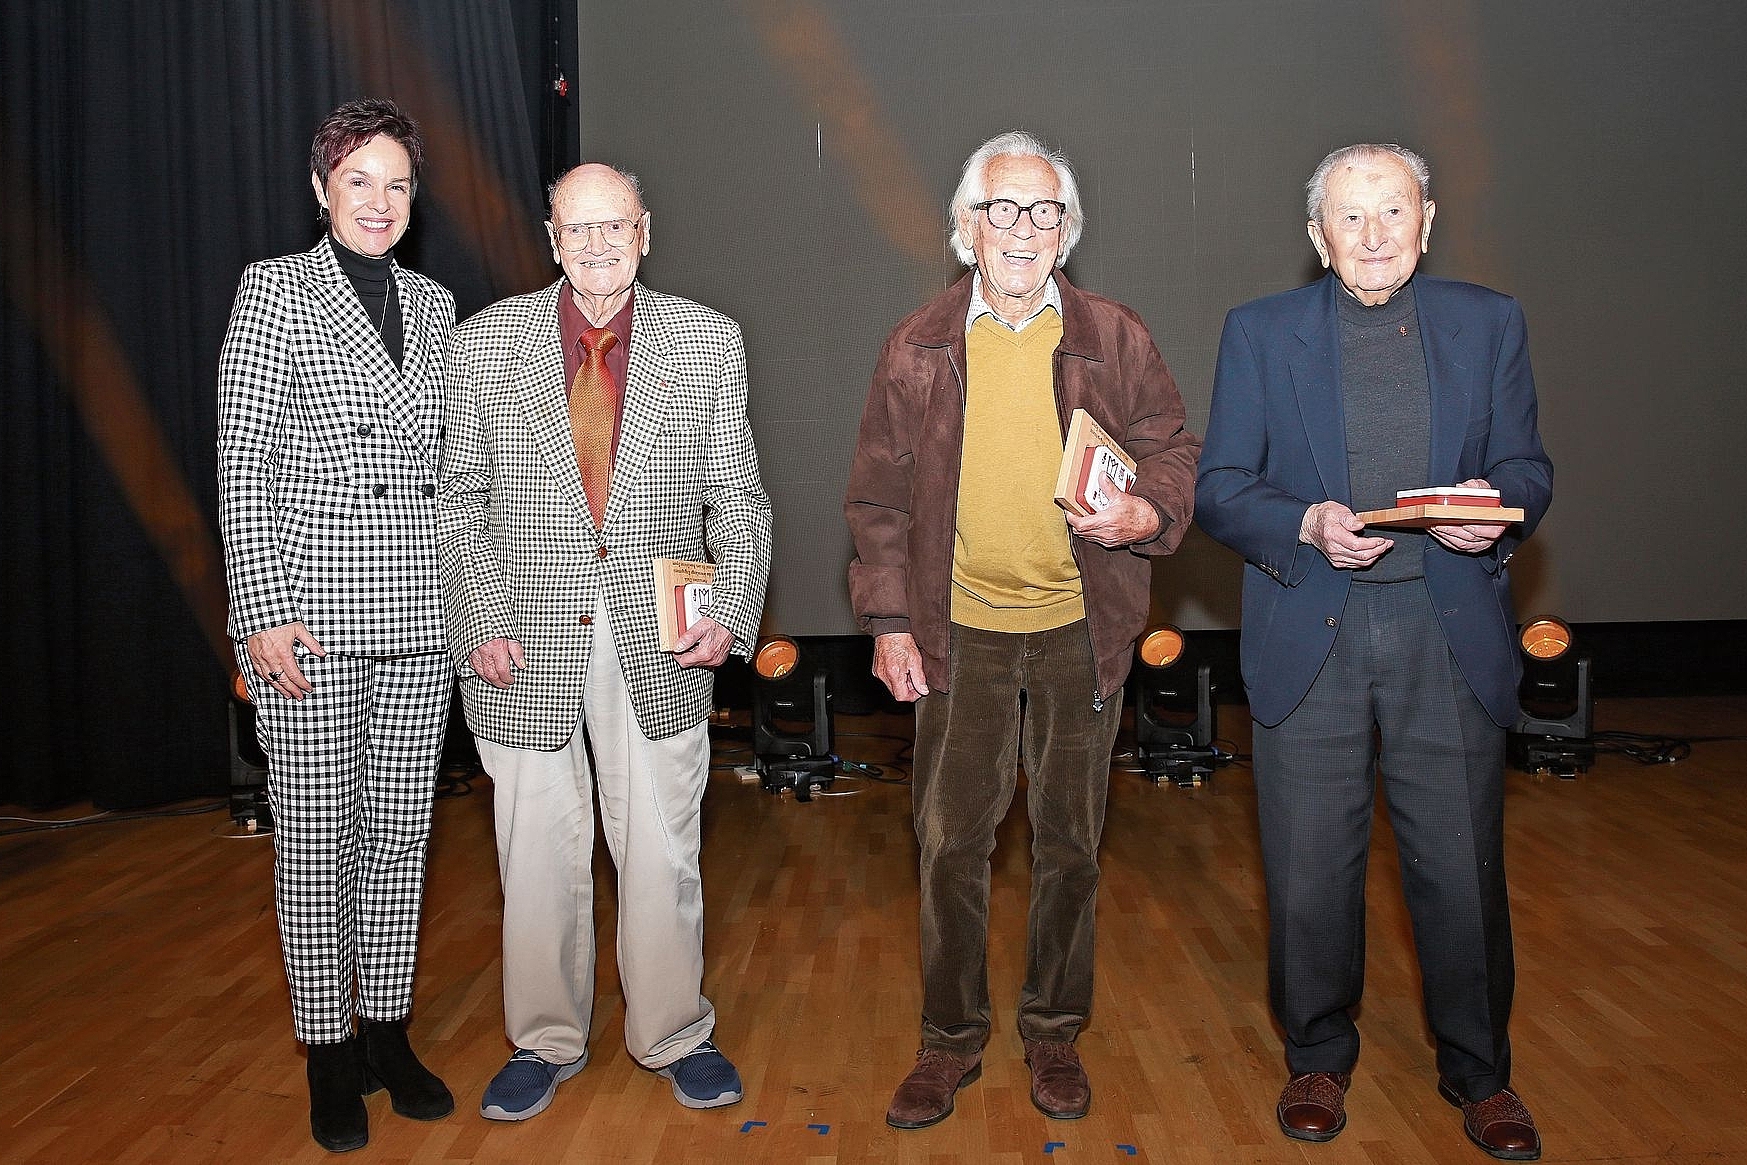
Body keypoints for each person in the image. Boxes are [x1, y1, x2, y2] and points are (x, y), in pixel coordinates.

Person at [1194, 143, 1553, 1161]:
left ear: (1425, 221)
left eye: (1392, 211)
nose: (1373, 234)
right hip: (1313, 631)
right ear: (1317, 237)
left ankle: (1480, 1073)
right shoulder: (1258, 331)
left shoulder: (1491, 322)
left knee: (1460, 871)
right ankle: (1315, 1056)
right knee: (1308, 872)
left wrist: (1498, 506)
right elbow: (1220, 485)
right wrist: (1303, 523)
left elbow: (1526, 462)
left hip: (1446, 631)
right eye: (1348, 218)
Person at [845, 130, 1200, 1130]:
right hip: (957, 631)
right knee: (949, 842)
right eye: (1001, 208)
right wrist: (889, 620)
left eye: (1044, 212)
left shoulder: (1115, 336)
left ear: (1066, 231)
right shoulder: (916, 345)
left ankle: (1052, 1030)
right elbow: (876, 500)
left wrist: (1145, 510)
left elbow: (1173, 448)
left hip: (1082, 629)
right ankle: (948, 1038)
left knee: (1070, 842)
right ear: (966, 228)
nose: (1022, 228)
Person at [438, 163, 771, 1121]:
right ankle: (543, 1039)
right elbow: (459, 501)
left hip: (660, 644)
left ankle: (673, 1033)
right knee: (536, 859)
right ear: (551, 239)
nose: (594, 244)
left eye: (612, 225)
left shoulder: (707, 341)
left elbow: (739, 501)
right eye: (575, 228)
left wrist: (730, 608)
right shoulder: (483, 342)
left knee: (663, 850)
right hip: (520, 644)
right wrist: (480, 620)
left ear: (644, 231)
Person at [217, 98, 456, 1153]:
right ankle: (327, 1050)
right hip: (309, 620)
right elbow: (243, 462)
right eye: (358, 179)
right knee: (318, 844)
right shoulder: (274, 290)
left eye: (397, 183)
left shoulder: (436, 304)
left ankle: (385, 1033)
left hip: (418, 615)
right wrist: (260, 611)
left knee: (400, 838)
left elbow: (449, 466)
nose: (379, 200)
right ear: (322, 190)